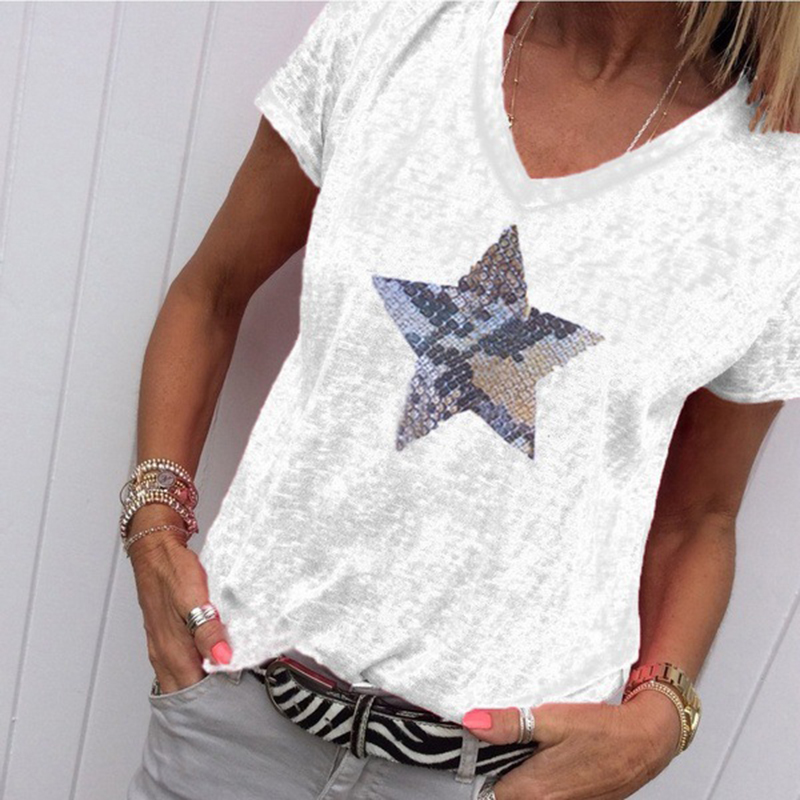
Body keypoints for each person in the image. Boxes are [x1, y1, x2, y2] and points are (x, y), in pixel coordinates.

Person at [124, 2, 800, 799]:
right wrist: (154, 528)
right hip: (233, 725)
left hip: (496, 778)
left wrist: (662, 720)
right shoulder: (395, 29)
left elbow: (700, 517)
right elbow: (209, 294)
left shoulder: (774, 183)